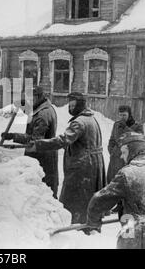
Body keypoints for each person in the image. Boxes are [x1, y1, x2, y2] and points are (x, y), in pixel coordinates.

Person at [33, 92, 106, 225]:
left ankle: (76, 227)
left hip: (82, 166)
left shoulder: (79, 122)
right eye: (69, 106)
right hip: (93, 165)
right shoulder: (91, 118)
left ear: (80, 106)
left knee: (74, 198)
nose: (70, 109)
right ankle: (88, 224)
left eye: (72, 106)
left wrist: (38, 144)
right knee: (87, 197)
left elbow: (63, 140)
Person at [1, 86, 59, 198]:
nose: (30, 101)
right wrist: (23, 106)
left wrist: (14, 136)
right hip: (44, 153)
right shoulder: (44, 107)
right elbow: (32, 112)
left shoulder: (43, 115)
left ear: (39, 97)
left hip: (42, 156)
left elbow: (35, 140)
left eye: (31, 99)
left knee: (41, 189)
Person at [107, 105, 144, 183]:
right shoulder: (116, 124)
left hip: (129, 159)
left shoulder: (138, 126)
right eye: (120, 115)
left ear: (129, 115)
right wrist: (112, 151)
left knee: (126, 182)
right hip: (116, 158)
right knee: (113, 181)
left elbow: (140, 141)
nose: (122, 117)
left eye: (124, 115)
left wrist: (125, 128)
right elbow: (112, 139)